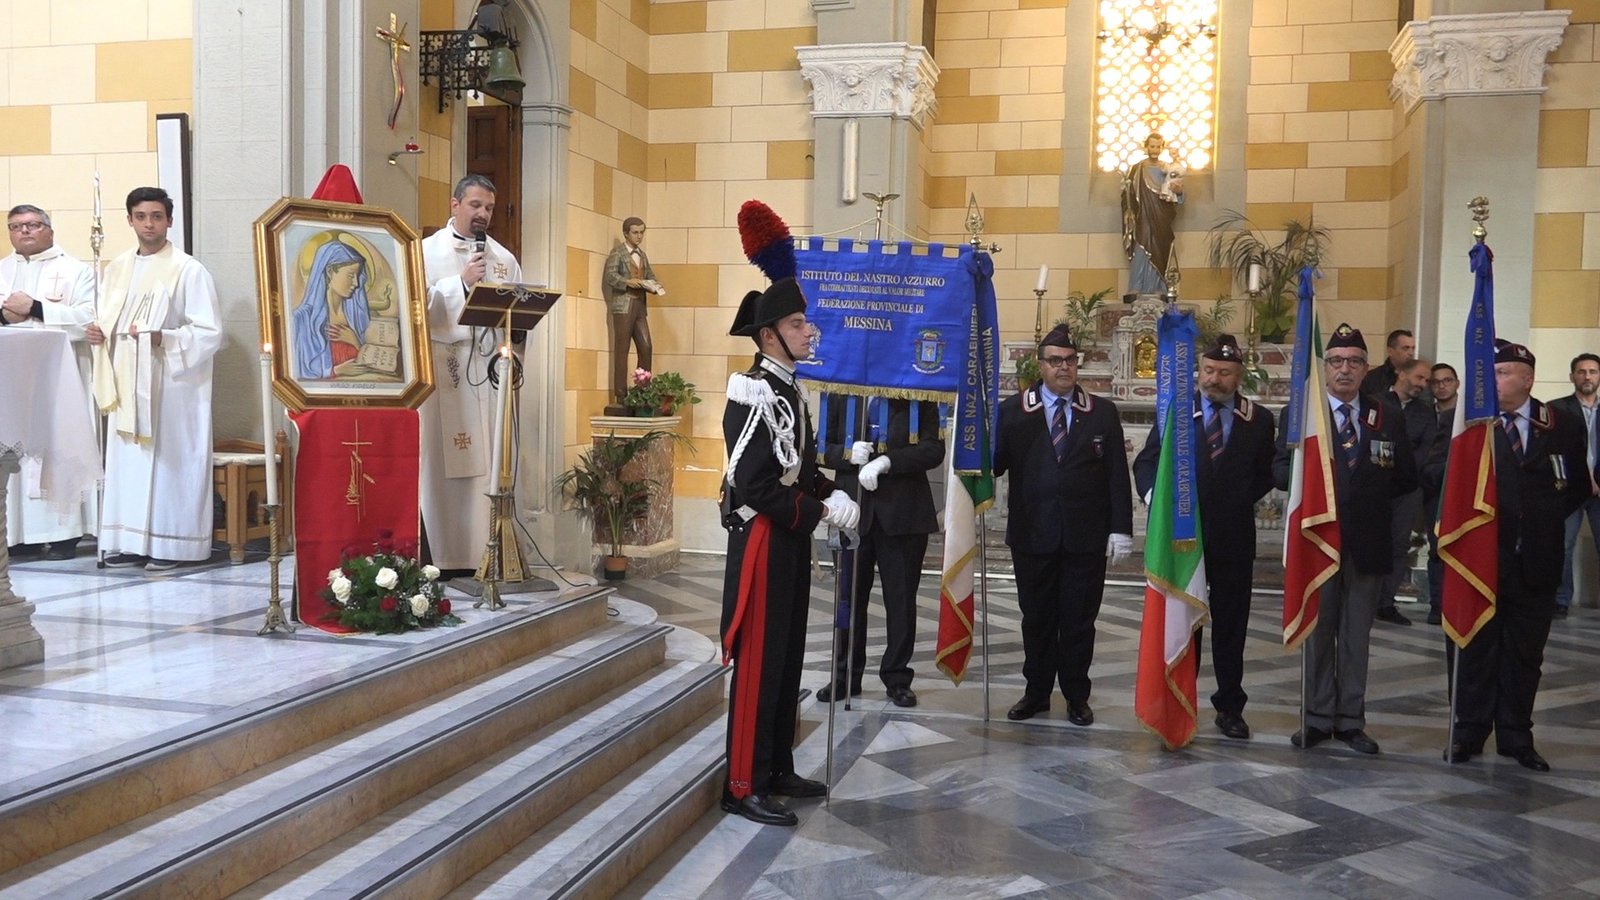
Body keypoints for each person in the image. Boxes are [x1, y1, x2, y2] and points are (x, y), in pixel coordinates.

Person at [719, 274, 858, 827]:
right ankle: (742, 783)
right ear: (769, 336)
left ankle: (776, 766)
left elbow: (796, 469)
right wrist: (821, 512)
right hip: (762, 542)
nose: (808, 332)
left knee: (786, 654)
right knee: (758, 661)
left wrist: (834, 491)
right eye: (797, 324)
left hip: (788, 540)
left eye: (804, 322)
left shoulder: (789, 389)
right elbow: (753, 484)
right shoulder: (751, 390)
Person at [1273, 324, 1416, 754]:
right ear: (1324, 368)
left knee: (1356, 637)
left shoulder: (1385, 414)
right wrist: (1302, 467)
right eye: (1336, 361)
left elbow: (1404, 477)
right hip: (1318, 542)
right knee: (1318, 633)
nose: (1345, 370)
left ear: (1367, 367)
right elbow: (1279, 473)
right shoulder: (1302, 414)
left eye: (1354, 361)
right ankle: (1316, 718)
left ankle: (1350, 719)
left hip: (1366, 545)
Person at [1449, 340, 1588, 772]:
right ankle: (1468, 731)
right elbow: (1441, 476)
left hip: (1536, 560)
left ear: (1527, 378)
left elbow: (1576, 485)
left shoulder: (1559, 423)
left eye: (1504, 372)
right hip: (1482, 561)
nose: (1494, 380)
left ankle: (1515, 735)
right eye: (1491, 372)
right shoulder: (1470, 425)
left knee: (1525, 654)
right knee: (1475, 649)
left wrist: (1539, 521)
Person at [1133, 334, 1275, 739]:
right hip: (1183, 541)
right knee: (1184, 621)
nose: (1215, 379)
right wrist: (1157, 499)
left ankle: (1230, 707)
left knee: (1232, 626)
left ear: (1239, 375)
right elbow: (1147, 463)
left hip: (1233, 538)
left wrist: (1237, 496)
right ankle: (1180, 701)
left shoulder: (1258, 419)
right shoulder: (1177, 412)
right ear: (1199, 372)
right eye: (1209, 370)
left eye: (1225, 373)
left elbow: (1266, 472)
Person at [996, 324, 1133, 726]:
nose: (1064, 368)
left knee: (1078, 621)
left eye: (1070, 361)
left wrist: (1120, 528)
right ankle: (1036, 692)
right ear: (1040, 365)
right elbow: (994, 464)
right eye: (1055, 361)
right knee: (1035, 618)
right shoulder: (1015, 410)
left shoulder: (1101, 412)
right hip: (1032, 534)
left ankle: (1076, 695)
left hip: (1084, 537)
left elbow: (1116, 475)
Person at [87, 187, 222, 572]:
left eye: (157, 216)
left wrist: (167, 338)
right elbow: (108, 320)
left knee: (167, 463)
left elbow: (210, 331)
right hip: (127, 381)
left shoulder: (188, 269)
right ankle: (130, 541)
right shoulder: (116, 268)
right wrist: (99, 334)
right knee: (129, 462)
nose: (149, 224)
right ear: (129, 220)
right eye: (142, 216)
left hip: (171, 386)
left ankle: (173, 544)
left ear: (170, 221)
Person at [418, 174, 524, 576]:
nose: (482, 214)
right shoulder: (425, 252)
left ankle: (487, 551)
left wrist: (511, 358)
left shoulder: (503, 258)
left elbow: (517, 315)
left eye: (489, 208)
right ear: (455, 204)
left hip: (487, 370)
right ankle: (442, 558)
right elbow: (418, 311)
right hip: (444, 369)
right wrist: (460, 284)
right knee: (442, 467)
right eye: (475, 205)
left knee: (488, 462)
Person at [818, 396, 944, 708]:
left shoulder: (916, 393)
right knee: (848, 599)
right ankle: (845, 675)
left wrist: (888, 462)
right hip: (852, 512)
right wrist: (847, 455)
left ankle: (898, 677)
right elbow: (818, 446)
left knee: (900, 600)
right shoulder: (841, 391)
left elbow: (933, 449)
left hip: (903, 513)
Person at [1, 204, 99, 561]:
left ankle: (63, 535)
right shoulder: (2, 270)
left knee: (57, 448)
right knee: (13, 449)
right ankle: (17, 536)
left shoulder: (76, 270)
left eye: (33, 224)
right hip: (12, 379)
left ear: (50, 230)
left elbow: (89, 320)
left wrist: (37, 308)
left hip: (59, 378)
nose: (24, 231)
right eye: (16, 226)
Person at [1376, 358, 1436, 627]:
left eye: (1427, 381)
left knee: (1398, 544)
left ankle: (1386, 602)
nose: (1423, 385)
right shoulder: (1374, 402)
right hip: (1373, 484)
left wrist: (1403, 473)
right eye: (1420, 378)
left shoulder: (1426, 412)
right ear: (1401, 373)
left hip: (1407, 487)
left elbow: (1424, 451)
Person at [1549, 353, 1600, 619]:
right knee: (1563, 545)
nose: (1587, 376)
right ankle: (1560, 599)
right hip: (1568, 488)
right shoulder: (1556, 409)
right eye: (1582, 371)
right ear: (1572, 377)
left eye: (1593, 371)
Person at [291, 238, 379, 380]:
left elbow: (377, 365)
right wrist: (335, 371)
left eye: (357, 276)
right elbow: (298, 372)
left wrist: (355, 341)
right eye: (351, 275)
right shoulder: (302, 319)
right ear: (330, 271)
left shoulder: (357, 316)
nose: (356, 283)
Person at [602, 217, 662, 407]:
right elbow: (610, 276)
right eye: (635, 232)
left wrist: (654, 285)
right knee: (622, 349)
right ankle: (621, 394)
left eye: (641, 232)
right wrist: (627, 282)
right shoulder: (617, 253)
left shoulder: (642, 255)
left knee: (646, 347)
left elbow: (649, 274)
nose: (639, 236)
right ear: (626, 233)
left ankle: (642, 391)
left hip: (639, 306)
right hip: (623, 306)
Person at [1121, 132, 1184, 297]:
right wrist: (1128, 211)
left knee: (1160, 249)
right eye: (1152, 146)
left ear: (1162, 148)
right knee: (1141, 247)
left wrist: (1179, 191)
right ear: (1146, 147)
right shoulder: (1137, 169)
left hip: (1162, 216)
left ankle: (1159, 287)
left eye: (1158, 146)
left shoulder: (1168, 168)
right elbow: (1126, 193)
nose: (1154, 150)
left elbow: (1178, 192)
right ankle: (1136, 286)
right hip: (1143, 216)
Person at [1422, 362, 1459, 626]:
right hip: (1432, 490)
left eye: (1447, 380)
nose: (1442, 386)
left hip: (1463, 492)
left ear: (1456, 383)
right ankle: (1437, 606)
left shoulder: (1469, 415)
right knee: (1437, 550)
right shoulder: (1424, 415)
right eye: (1436, 382)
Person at [1359, 328, 1415, 399]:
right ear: (1390, 351)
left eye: (1413, 348)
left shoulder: (1417, 378)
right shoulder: (1371, 379)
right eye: (1405, 348)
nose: (1411, 353)